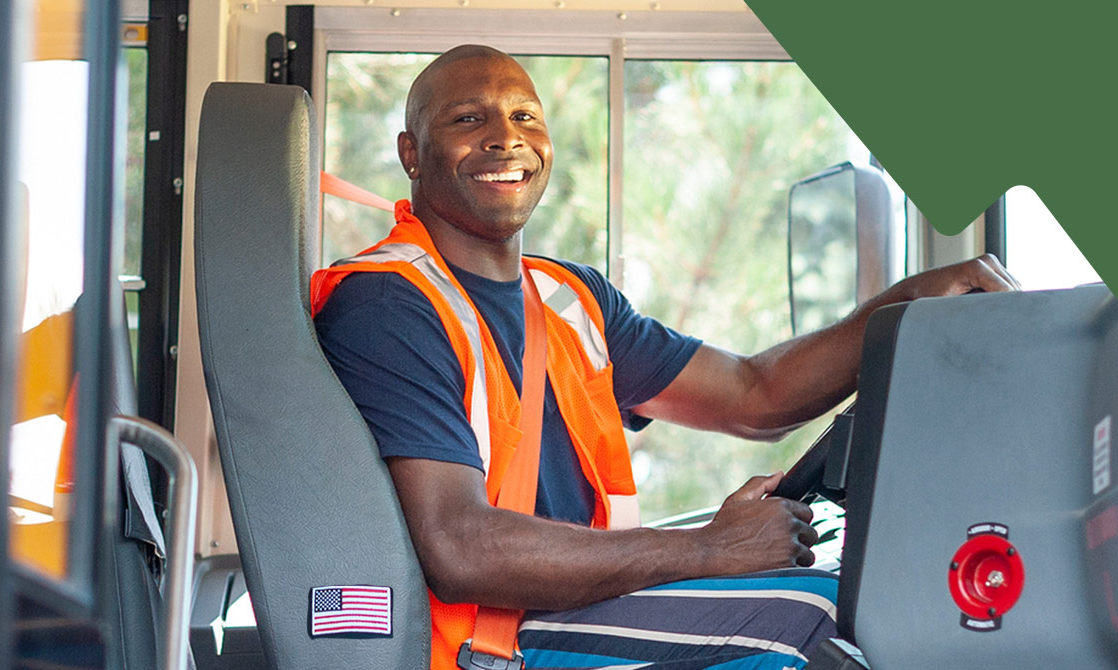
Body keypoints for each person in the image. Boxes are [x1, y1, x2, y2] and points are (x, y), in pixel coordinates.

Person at [310, 45, 1019, 670]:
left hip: (576, 607)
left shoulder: (569, 298)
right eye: (469, 120)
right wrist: (712, 551)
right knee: (822, 620)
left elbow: (754, 394)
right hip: (492, 642)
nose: (506, 139)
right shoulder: (389, 306)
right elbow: (460, 546)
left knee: (867, 593)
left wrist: (904, 306)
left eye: (526, 117)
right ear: (412, 153)